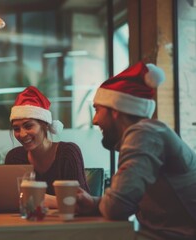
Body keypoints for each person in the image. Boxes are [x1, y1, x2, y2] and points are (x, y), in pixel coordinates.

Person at [75, 62, 196, 239]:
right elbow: (128, 201)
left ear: (115, 111)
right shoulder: (143, 136)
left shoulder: (144, 134)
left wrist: (104, 204)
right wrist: (93, 204)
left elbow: (117, 207)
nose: (94, 120)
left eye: (98, 110)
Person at [5, 86, 89, 208]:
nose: (22, 134)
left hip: (64, 225)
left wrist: (40, 199)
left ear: (44, 125)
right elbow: (11, 201)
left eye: (28, 126)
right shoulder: (14, 158)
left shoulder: (67, 153)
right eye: (16, 129)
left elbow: (82, 204)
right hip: (27, 224)